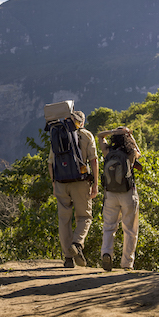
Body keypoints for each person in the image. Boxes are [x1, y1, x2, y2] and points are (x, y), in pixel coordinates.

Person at [48, 110, 98, 268]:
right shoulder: (87, 135)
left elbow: (50, 162)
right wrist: (95, 183)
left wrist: (54, 182)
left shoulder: (58, 133)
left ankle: (68, 258)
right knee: (85, 217)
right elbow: (94, 160)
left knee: (64, 220)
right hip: (80, 182)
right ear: (81, 122)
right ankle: (77, 243)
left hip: (61, 182)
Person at [97, 126, 142, 271]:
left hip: (110, 193)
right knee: (130, 229)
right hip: (128, 193)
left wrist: (113, 132)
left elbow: (99, 136)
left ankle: (106, 253)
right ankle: (127, 263)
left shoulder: (108, 152)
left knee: (109, 226)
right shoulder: (130, 153)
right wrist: (129, 135)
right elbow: (139, 152)